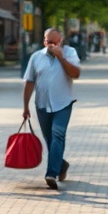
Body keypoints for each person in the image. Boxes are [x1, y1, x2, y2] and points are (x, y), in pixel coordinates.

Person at [23, 28, 81, 190]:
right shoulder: (36, 57)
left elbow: (76, 74)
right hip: (42, 105)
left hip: (63, 104)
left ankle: (51, 173)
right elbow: (29, 82)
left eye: (55, 42)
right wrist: (25, 106)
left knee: (58, 135)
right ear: (44, 41)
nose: (52, 45)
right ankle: (61, 165)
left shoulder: (70, 53)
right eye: (49, 42)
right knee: (50, 140)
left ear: (61, 41)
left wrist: (61, 57)